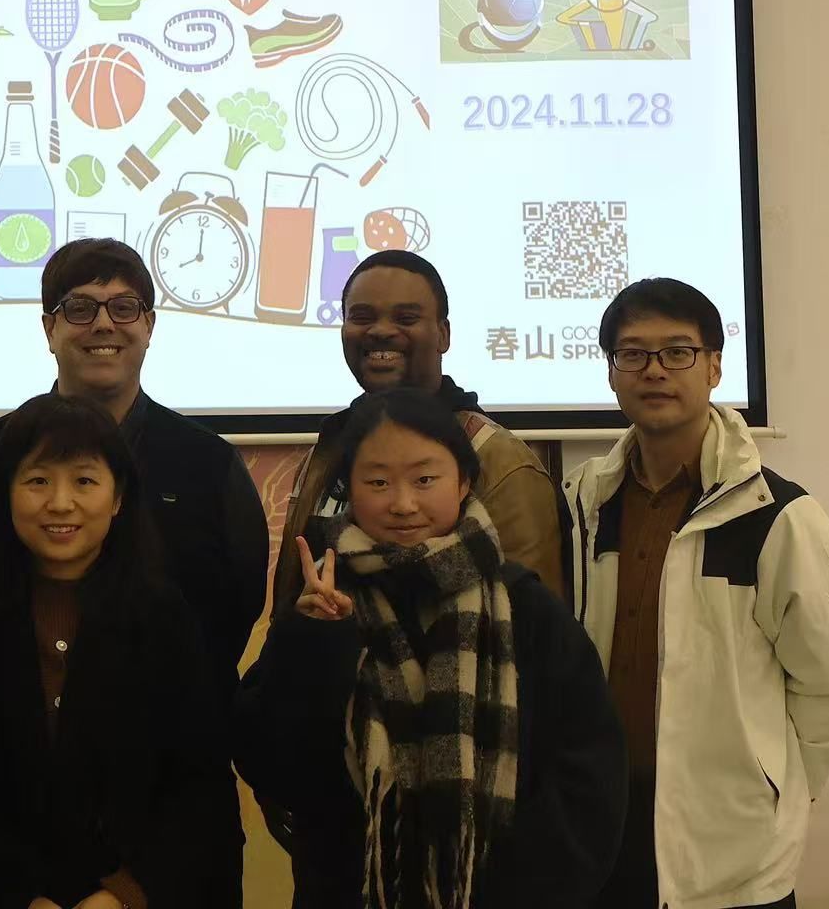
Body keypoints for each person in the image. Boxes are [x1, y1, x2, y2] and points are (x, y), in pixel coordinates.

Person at [237, 387, 626, 909]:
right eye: (378, 482)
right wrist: (314, 645)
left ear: (463, 482)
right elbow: (276, 770)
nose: (403, 504)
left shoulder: (525, 608)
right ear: (349, 488)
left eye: (425, 480)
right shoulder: (322, 607)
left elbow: (588, 779)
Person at [568, 279, 829, 909]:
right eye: (633, 354)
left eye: (678, 351)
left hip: (732, 850)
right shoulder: (582, 503)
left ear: (714, 367)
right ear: (611, 372)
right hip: (602, 827)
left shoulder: (778, 515)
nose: (655, 370)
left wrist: (776, 786)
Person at [0, 238, 267, 694]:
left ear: (149, 326)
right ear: (49, 329)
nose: (104, 324)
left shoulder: (211, 463)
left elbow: (239, 607)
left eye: (124, 308)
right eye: (80, 308)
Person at [0, 392, 240, 909]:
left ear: (118, 497)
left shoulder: (163, 617)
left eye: (84, 481)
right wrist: (17, 895)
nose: (60, 503)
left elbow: (197, 785)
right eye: (37, 480)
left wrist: (124, 894)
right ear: (5, 493)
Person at [272, 250, 562, 618]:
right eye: (362, 317)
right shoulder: (328, 449)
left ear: (443, 334)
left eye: (406, 318)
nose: (380, 331)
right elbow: (291, 600)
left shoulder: (498, 459)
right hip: (327, 653)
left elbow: (532, 622)